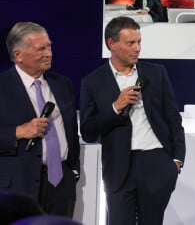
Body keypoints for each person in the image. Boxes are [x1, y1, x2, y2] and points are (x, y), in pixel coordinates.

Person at [79, 16, 185, 225]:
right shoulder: (92, 82)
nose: (137, 48)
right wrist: (115, 107)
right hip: (118, 167)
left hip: (156, 162)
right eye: (130, 43)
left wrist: (176, 160)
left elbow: (173, 118)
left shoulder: (156, 73)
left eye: (139, 42)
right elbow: (89, 132)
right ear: (112, 44)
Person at [0, 22, 80, 217]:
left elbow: (70, 131)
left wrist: (72, 171)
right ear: (18, 55)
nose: (49, 53)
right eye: (41, 49)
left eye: (49, 46)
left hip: (61, 184)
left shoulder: (62, 84)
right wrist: (19, 132)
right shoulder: (2, 86)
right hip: (19, 186)